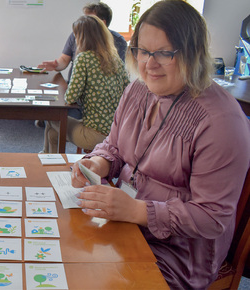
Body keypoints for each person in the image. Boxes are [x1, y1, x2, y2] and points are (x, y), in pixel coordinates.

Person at [71, 1, 250, 288]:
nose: (148, 64)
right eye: (142, 50)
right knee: (67, 255)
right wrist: (97, 163)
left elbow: (211, 217)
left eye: (164, 53)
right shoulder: (137, 89)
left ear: (194, 53)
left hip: (179, 253)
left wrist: (136, 210)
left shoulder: (221, 121)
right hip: (125, 223)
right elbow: (113, 146)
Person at [42, 15, 129, 154]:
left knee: (52, 119)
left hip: (93, 133)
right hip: (115, 132)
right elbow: (127, 90)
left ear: (82, 38)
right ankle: (48, 159)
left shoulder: (84, 58)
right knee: (53, 134)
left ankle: (48, 161)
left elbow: (70, 97)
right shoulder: (115, 58)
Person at [38, 2, 127, 82]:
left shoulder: (119, 41)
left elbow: (118, 72)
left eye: (89, 19)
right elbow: (64, 59)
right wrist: (56, 65)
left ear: (102, 23)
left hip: (98, 94)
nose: (84, 22)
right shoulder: (76, 35)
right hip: (75, 88)